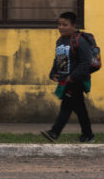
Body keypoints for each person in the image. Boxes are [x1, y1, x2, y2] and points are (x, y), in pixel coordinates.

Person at [40, 11, 95, 143]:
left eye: (65, 24)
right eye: (59, 24)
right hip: (66, 80)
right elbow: (58, 59)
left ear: (73, 26)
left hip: (76, 80)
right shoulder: (60, 41)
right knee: (79, 108)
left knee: (66, 105)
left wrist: (73, 77)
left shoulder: (80, 40)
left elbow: (85, 62)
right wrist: (53, 73)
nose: (61, 27)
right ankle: (88, 135)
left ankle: (54, 133)